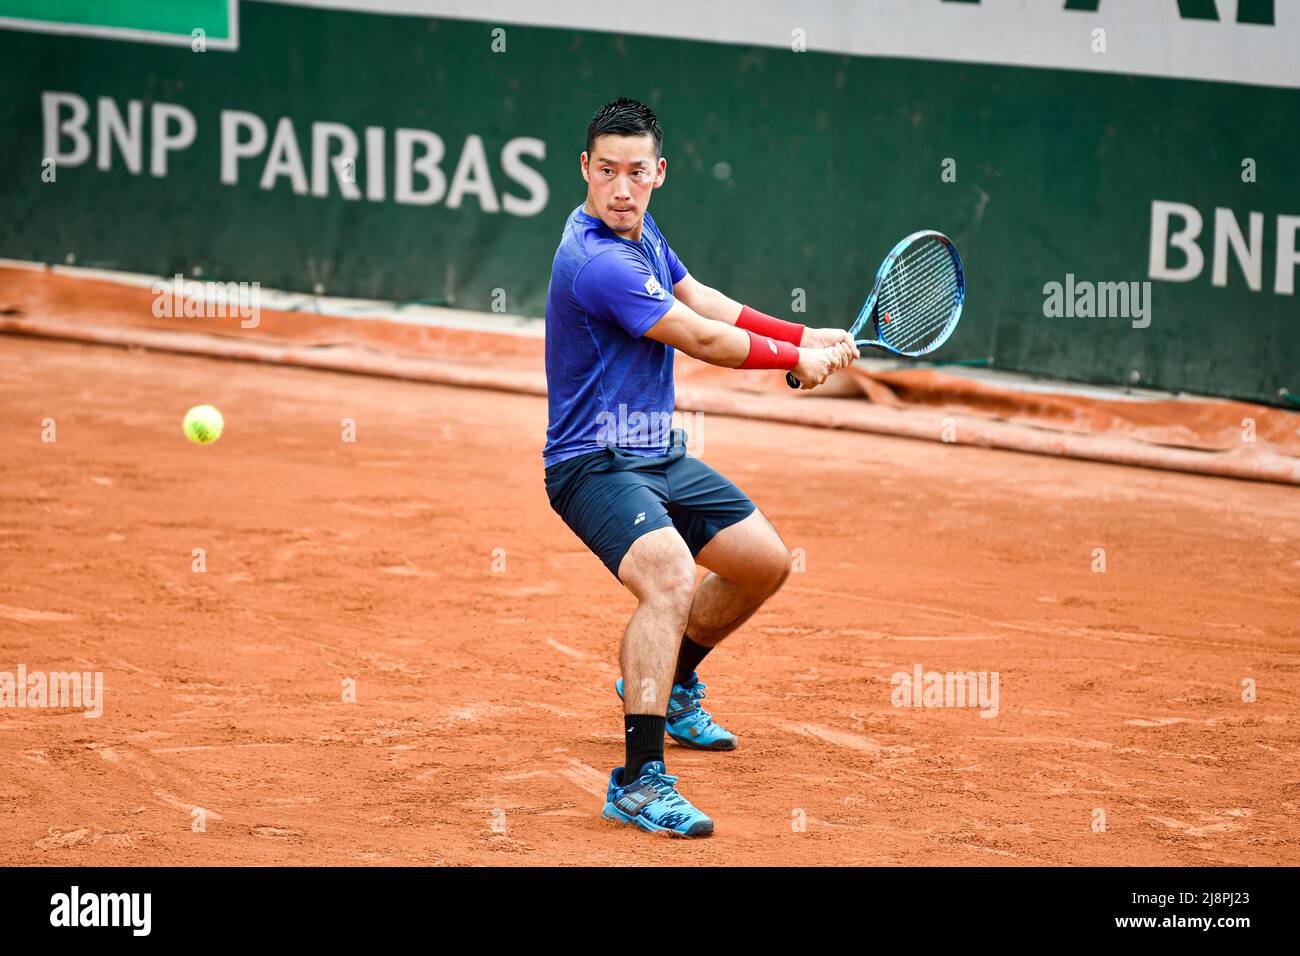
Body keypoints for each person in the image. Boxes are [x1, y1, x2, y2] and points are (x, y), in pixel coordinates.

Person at [542, 97, 858, 836]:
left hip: (661, 454)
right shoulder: (596, 259)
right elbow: (697, 336)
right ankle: (639, 779)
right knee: (670, 578)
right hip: (593, 464)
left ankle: (672, 685)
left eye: (637, 173)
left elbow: (700, 297)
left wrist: (800, 332)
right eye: (607, 172)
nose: (622, 189)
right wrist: (796, 361)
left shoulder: (641, 226)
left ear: (659, 174)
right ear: (585, 169)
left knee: (764, 564)